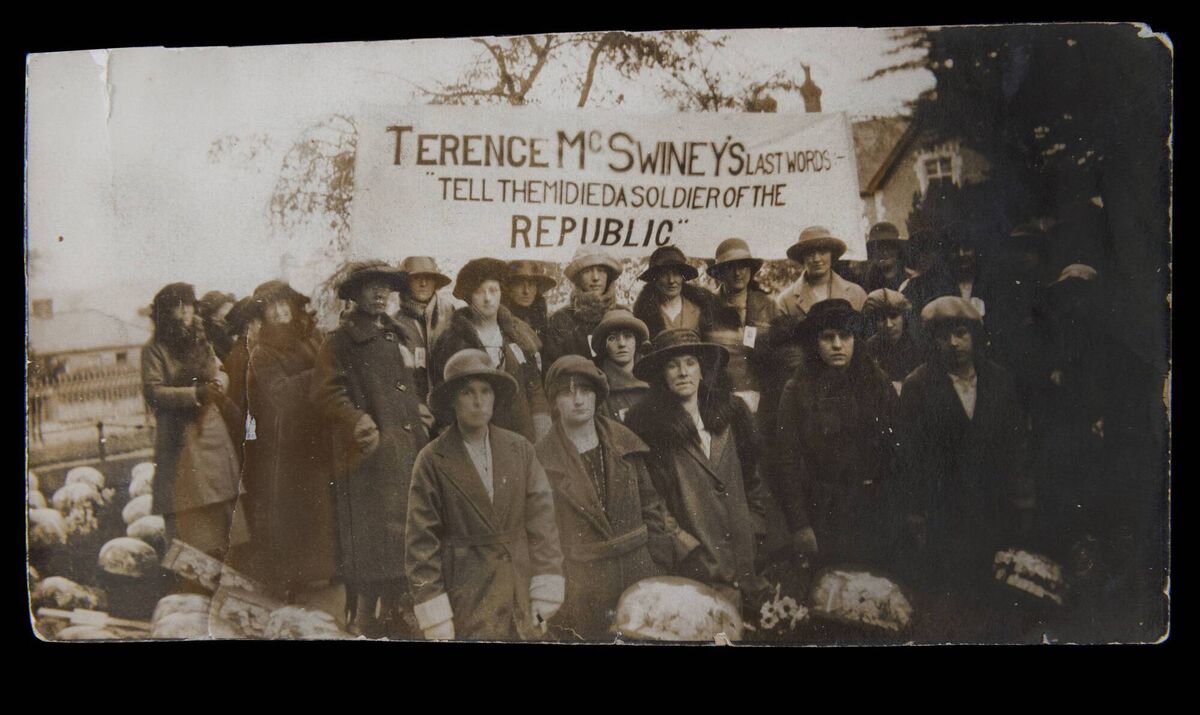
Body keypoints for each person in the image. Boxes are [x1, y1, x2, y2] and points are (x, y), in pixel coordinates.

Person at [898, 297, 1035, 637]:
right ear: (933, 341)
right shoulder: (918, 385)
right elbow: (911, 456)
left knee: (997, 600)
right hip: (945, 513)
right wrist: (916, 512)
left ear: (976, 336)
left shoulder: (1000, 381)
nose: (954, 344)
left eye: (961, 334)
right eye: (944, 337)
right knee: (952, 603)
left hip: (995, 508)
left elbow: (1016, 448)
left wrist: (1021, 500)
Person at [406, 349, 564, 641]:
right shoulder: (432, 459)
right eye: (467, 392)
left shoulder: (520, 449)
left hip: (521, 588)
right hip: (467, 593)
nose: (479, 401)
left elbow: (542, 521)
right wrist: (436, 615)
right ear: (453, 399)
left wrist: (546, 585)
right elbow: (421, 544)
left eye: (486, 391)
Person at [311, 260, 431, 637]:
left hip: (407, 448)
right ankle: (366, 616)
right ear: (354, 294)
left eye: (385, 288)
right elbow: (327, 392)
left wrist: (419, 410)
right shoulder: (340, 341)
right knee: (375, 541)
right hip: (370, 455)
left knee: (405, 531)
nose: (380, 294)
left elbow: (407, 383)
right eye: (370, 288)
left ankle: (399, 610)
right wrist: (358, 422)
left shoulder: (398, 334)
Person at [624, 329, 770, 612]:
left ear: (702, 369)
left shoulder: (731, 413)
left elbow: (753, 477)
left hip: (746, 557)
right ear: (661, 376)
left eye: (690, 362)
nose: (683, 372)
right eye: (672, 365)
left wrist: (755, 524)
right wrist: (685, 547)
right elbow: (652, 501)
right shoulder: (650, 427)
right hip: (699, 564)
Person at [535, 355, 675, 640]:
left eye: (585, 391)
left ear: (597, 396)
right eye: (566, 392)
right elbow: (540, 533)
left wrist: (657, 558)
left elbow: (651, 504)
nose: (577, 400)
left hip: (639, 573)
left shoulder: (624, 441)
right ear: (555, 401)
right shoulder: (541, 459)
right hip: (583, 584)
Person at [771, 299, 900, 571]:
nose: (838, 345)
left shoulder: (878, 383)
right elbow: (786, 461)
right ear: (815, 344)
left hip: (872, 509)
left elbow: (895, 451)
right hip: (821, 512)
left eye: (846, 336)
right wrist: (800, 525)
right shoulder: (796, 390)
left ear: (856, 339)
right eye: (828, 338)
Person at [244, 280, 340, 616]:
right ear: (264, 315)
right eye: (273, 308)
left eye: (285, 305)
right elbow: (281, 394)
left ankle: (325, 571)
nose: (281, 312)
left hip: (320, 435)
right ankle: (296, 582)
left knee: (324, 504)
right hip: (287, 443)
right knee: (295, 510)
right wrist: (321, 375)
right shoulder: (263, 352)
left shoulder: (309, 339)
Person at [141, 282, 248, 560]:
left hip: (212, 430)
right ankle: (192, 572)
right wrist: (195, 393)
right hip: (179, 436)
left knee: (221, 497)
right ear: (163, 314)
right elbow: (153, 391)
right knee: (188, 502)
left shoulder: (202, 340)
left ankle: (228, 562)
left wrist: (218, 385)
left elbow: (220, 369)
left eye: (187, 305)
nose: (183, 312)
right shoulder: (154, 350)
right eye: (175, 307)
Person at [430, 258, 551, 444]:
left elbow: (534, 387)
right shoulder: (453, 341)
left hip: (523, 437)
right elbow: (444, 396)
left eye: (493, 291)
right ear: (470, 296)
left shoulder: (519, 336)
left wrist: (542, 431)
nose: (487, 298)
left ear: (502, 293)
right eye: (479, 292)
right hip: (477, 439)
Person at [705, 238, 779, 412]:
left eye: (744, 266)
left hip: (762, 397)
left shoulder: (768, 306)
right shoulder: (707, 307)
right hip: (721, 399)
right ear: (720, 273)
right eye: (731, 267)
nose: (738, 273)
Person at [393, 256, 460, 402]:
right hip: (416, 407)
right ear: (406, 283)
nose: (423, 284)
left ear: (435, 282)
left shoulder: (450, 314)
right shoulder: (395, 324)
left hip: (449, 403)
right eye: (417, 278)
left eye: (428, 278)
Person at [544, 245, 625, 364]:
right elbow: (555, 370)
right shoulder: (561, 320)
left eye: (601, 271)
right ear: (578, 278)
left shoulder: (623, 315)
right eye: (587, 271)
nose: (596, 278)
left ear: (608, 276)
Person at [633, 245, 731, 340]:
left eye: (676, 273)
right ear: (655, 278)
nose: (671, 280)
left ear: (683, 277)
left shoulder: (700, 309)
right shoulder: (644, 316)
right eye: (664, 274)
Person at [776, 226, 867, 318]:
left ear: (832, 254)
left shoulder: (856, 293)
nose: (817, 259)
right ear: (802, 257)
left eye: (823, 252)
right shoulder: (786, 301)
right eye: (810, 253)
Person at [590, 309, 650, 423]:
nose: (622, 344)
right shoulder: (599, 388)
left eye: (628, 336)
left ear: (636, 342)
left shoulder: (653, 379)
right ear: (604, 346)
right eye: (612, 338)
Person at [862, 288, 924, 392]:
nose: (889, 325)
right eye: (881, 318)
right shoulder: (869, 348)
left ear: (904, 318)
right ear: (874, 322)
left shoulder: (918, 345)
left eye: (894, 316)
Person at [503, 260, 557, 360]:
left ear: (537, 289)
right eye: (519, 284)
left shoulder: (544, 322)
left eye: (531, 284)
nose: (526, 291)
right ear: (509, 288)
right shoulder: (501, 323)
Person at [862, 222, 909, 293]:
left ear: (897, 249)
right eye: (879, 248)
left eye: (889, 247)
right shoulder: (867, 280)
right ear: (873, 251)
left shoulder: (909, 279)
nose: (885, 252)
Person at [197, 290, 237, 363]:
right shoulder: (210, 329)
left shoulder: (222, 325)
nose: (229, 311)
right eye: (224, 308)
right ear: (214, 309)